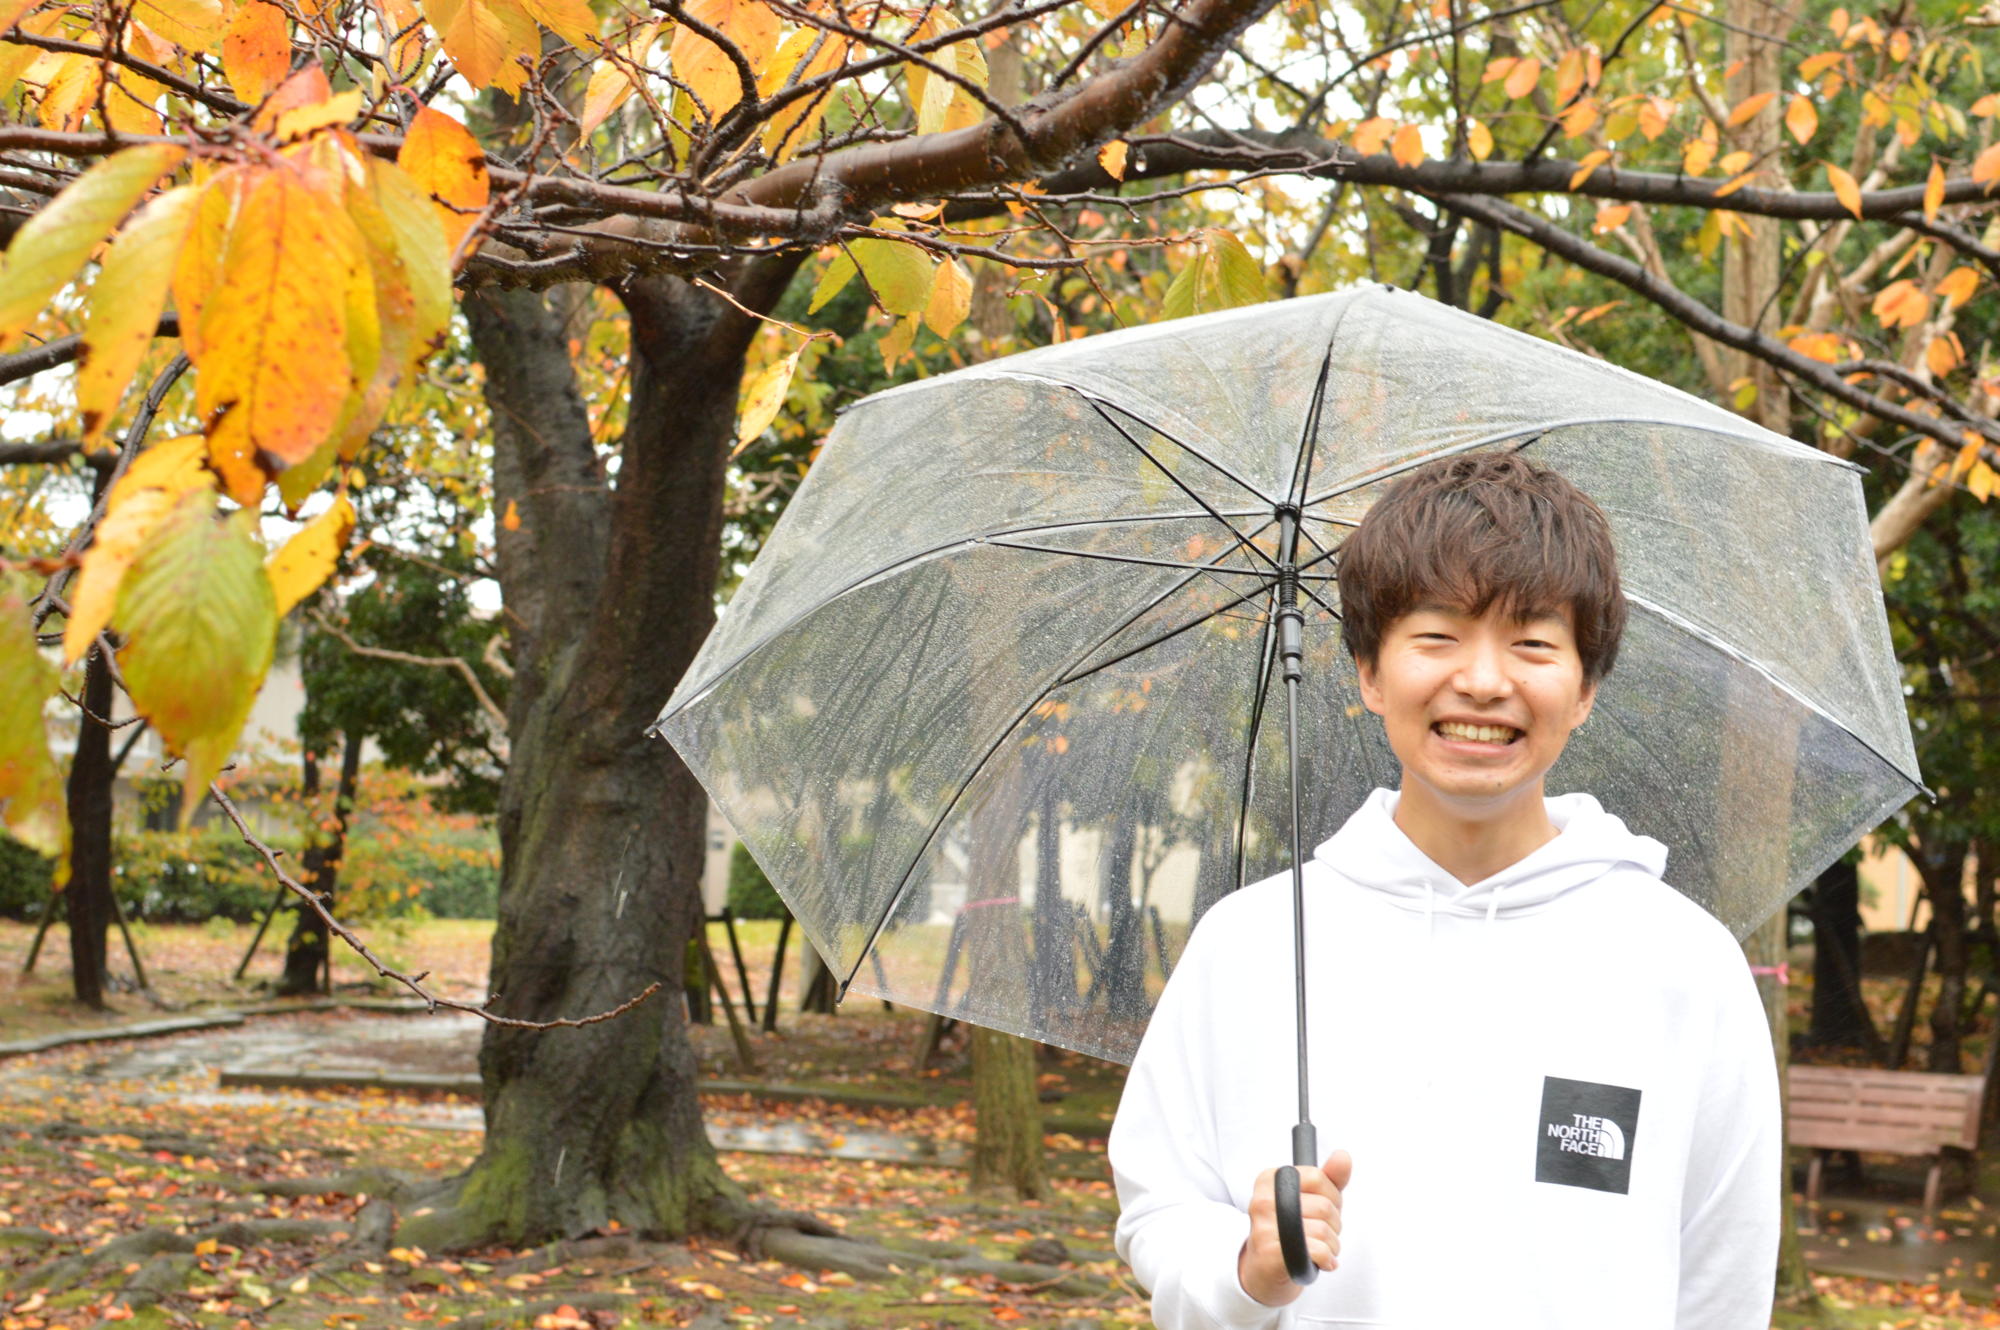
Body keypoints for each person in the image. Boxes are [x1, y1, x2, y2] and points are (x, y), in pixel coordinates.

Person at [1107, 452, 1780, 1330]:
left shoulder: (1683, 964)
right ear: (1370, 673)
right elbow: (1159, 1210)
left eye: (1534, 643)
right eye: (1437, 636)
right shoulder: (1255, 942)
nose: (1485, 680)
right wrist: (1247, 1270)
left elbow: (1721, 1278)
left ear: (1585, 689)